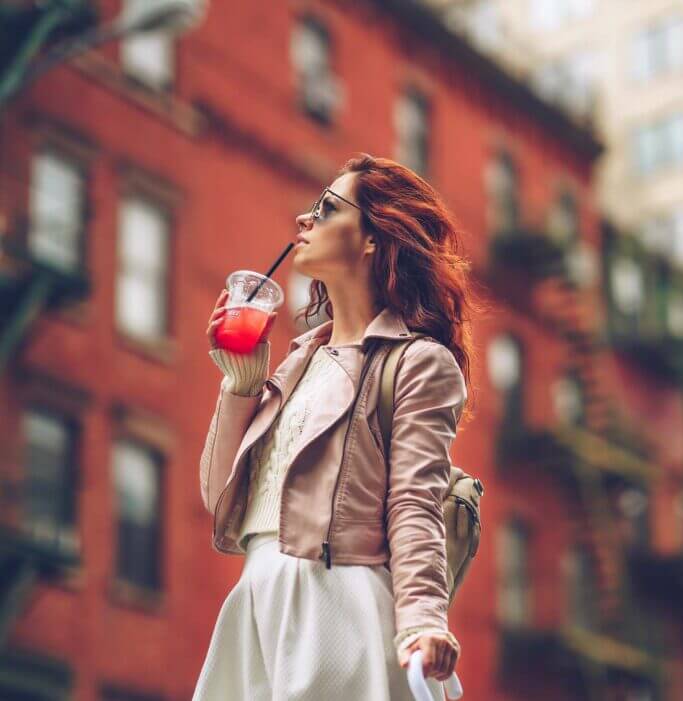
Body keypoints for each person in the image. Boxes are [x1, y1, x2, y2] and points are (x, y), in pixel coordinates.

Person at [193, 154, 478, 700]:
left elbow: (415, 503)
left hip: (336, 611)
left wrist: (422, 620)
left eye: (326, 209)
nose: (305, 220)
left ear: (374, 238)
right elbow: (219, 498)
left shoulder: (417, 363)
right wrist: (242, 386)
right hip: (259, 602)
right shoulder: (299, 363)